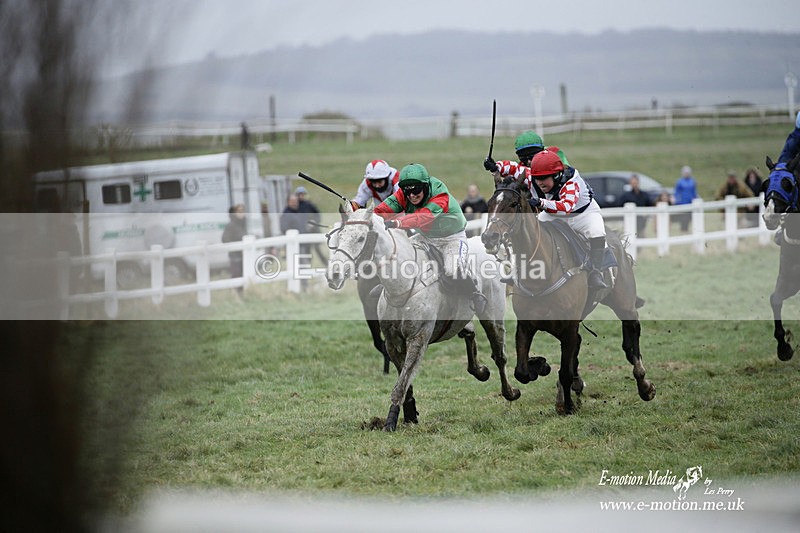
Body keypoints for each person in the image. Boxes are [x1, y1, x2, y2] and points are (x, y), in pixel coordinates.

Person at [374, 163, 486, 314]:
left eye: (416, 191)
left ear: (425, 186)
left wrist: (397, 222)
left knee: (453, 270)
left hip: (451, 238)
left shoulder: (440, 194)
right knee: (401, 253)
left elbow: (422, 217)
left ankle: (475, 293)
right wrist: (363, 215)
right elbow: (383, 209)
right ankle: (389, 285)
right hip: (425, 237)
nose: (412, 196)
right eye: (408, 192)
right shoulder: (404, 193)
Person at [525, 149, 609, 289]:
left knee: (597, 232)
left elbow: (566, 206)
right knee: (533, 229)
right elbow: (516, 169)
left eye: (544, 178)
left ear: (556, 175)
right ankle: (522, 268)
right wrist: (496, 166)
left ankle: (596, 272)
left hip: (584, 215)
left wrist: (541, 203)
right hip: (555, 214)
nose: (539, 183)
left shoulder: (571, 182)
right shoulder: (538, 178)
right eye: (537, 178)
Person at [483, 130, 570, 183]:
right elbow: (513, 171)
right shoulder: (522, 165)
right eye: (524, 159)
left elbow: (566, 171)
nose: (528, 162)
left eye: (532, 157)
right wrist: (495, 167)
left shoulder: (555, 154)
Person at [294, 185, 326, 262]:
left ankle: (326, 263)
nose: (301, 196)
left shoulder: (309, 204)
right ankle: (307, 266)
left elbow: (317, 215)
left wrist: (314, 222)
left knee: (318, 249)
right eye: (300, 194)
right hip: (303, 232)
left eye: (303, 194)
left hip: (313, 230)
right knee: (307, 250)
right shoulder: (295, 206)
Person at [222, 203, 247, 295]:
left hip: (243, 256)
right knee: (236, 276)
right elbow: (225, 239)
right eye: (239, 211)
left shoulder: (243, 224)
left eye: (243, 211)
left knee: (244, 276)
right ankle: (235, 295)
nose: (241, 213)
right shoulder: (231, 225)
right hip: (235, 257)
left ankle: (242, 296)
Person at [673, 165, 698, 231]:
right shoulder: (680, 182)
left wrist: (695, 199)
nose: (686, 174)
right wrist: (677, 200)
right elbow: (677, 192)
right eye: (685, 172)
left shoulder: (692, 181)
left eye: (688, 172)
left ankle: (688, 228)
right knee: (683, 217)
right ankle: (683, 228)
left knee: (690, 216)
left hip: (690, 202)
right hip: (682, 202)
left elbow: (694, 191)